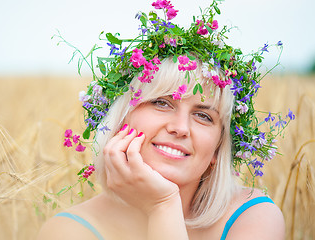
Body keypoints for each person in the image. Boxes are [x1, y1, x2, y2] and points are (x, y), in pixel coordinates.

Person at [38, 1, 289, 239]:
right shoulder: (68, 232)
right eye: (161, 103)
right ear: (120, 117)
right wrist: (162, 205)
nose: (180, 128)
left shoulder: (252, 218)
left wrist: (162, 206)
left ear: (217, 148)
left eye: (203, 116)